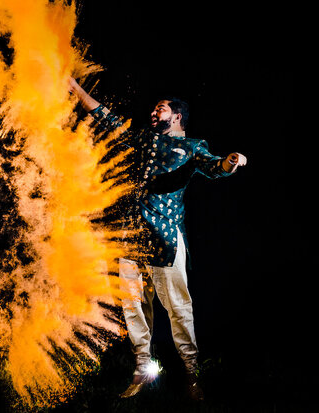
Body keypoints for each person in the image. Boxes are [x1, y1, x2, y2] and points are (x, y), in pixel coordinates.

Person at [68, 77, 246, 401]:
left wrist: (229, 162)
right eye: (153, 109)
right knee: (132, 305)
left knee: (178, 307)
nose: (153, 112)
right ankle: (142, 370)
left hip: (165, 238)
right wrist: (77, 90)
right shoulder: (142, 139)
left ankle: (191, 374)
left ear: (177, 116)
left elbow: (213, 167)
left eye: (160, 108)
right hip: (132, 236)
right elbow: (108, 121)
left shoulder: (192, 146)